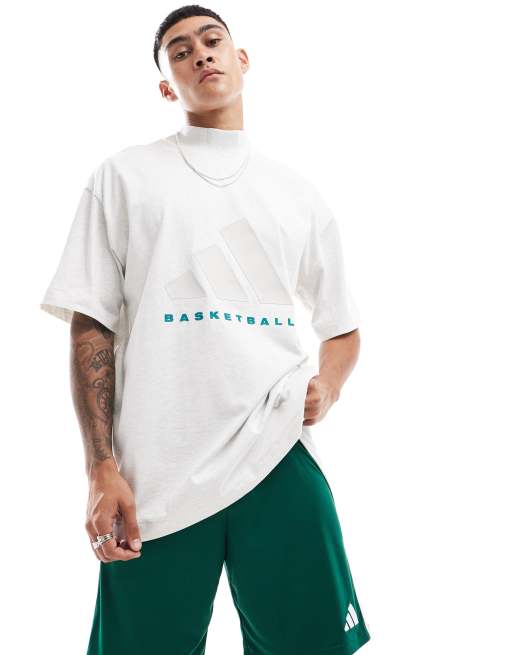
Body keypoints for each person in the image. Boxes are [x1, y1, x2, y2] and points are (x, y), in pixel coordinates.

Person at [40, 5, 371, 654]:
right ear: (168, 86)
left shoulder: (296, 195)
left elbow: (343, 327)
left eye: (212, 41)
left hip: (277, 457)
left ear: (241, 59)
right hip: (157, 475)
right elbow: (90, 327)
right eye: (181, 51)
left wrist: (328, 385)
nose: (201, 55)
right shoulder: (124, 178)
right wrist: (101, 468)